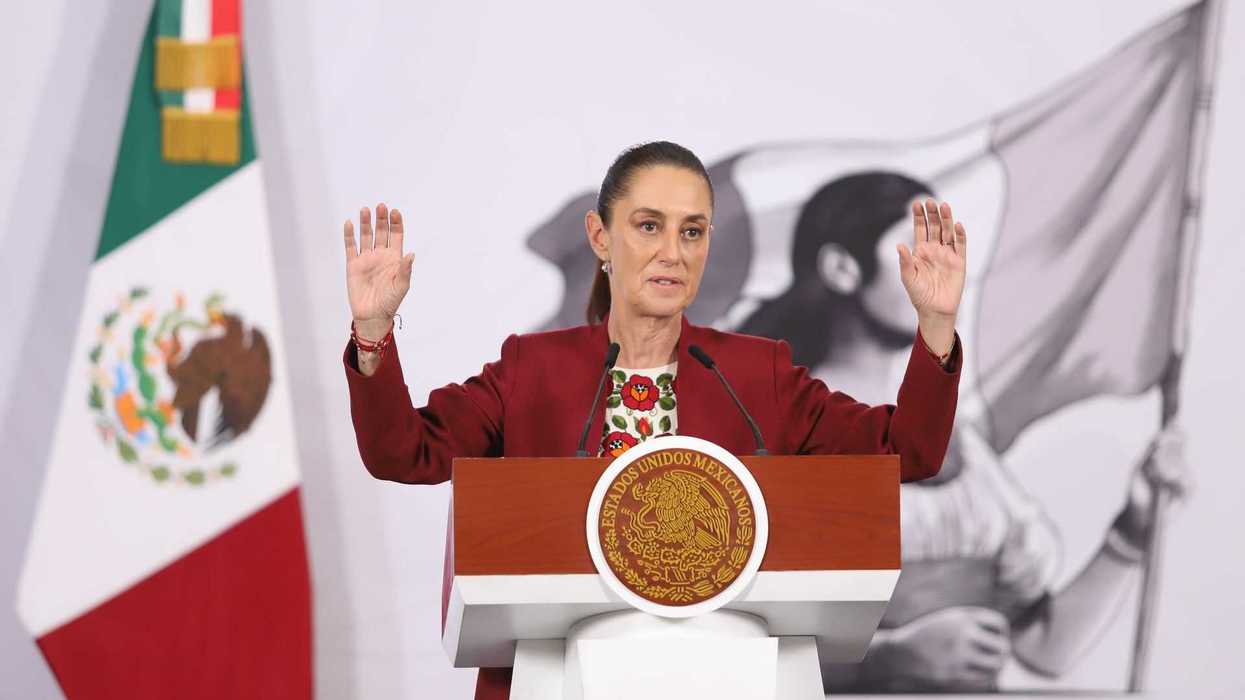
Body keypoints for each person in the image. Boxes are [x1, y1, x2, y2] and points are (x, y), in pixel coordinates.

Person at [340, 141, 969, 699]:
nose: (672, 252)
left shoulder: (758, 375)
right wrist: (373, 336)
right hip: (556, 679)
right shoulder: (534, 369)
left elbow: (905, 450)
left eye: (692, 232)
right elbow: (405, 452)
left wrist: (936, 331)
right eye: (649, 226)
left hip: (734, 676)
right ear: (599, 237)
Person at [738, 171, 1188, 692]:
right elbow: (718, 651)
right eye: (918, 247)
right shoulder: (772, 429)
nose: (946, 269)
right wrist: (879, 660)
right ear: (842, 268)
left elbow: (1043, 649)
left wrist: (1131, 532)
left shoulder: (961, 442)